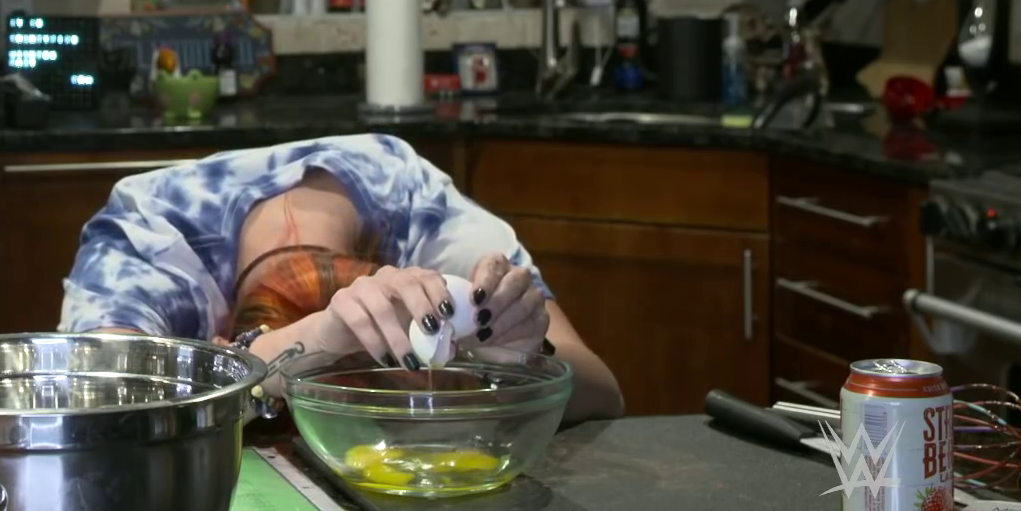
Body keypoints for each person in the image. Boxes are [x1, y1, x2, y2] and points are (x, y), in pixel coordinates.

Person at [59, 134, 623, 423]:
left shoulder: (424, 213)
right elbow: (100, 407)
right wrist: (290, 352)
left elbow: (605, 394)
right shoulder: (146, 236)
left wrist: (521, 359)